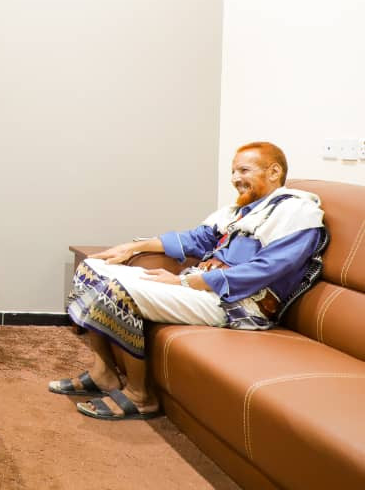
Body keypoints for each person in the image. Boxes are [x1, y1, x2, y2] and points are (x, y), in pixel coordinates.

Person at [50, 141, 327, 420]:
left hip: (238, 304)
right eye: (233, 172)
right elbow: (196, 239)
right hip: (200, 286)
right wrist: (132, 248)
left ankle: (140, 395)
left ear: (274, 171)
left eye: (244, 170)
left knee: (118, 291)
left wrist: (186, 283)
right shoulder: (242, 211)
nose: (235, 179)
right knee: (93, 268)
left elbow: (265, 270)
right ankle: (103, 373)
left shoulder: (297, 213)